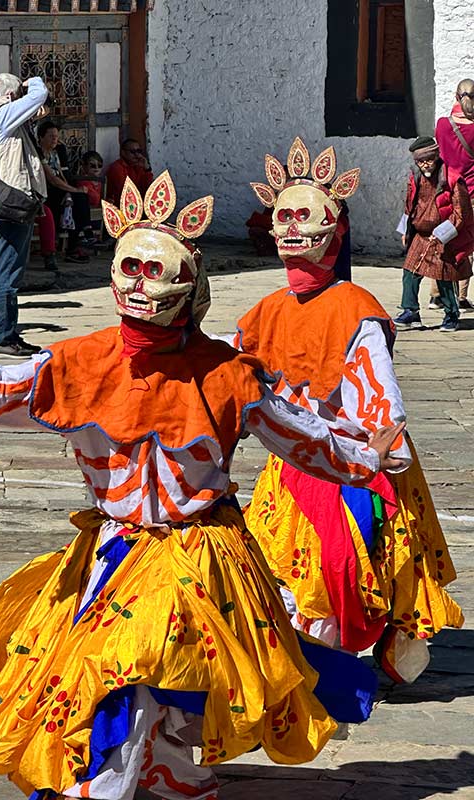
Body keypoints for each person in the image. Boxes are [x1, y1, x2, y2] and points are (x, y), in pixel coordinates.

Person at [0, 169, 404, 800]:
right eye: (131, 267)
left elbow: (301, 436)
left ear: (190, 283)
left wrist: (365, 457)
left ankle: (143, 777)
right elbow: (4, 388)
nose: (140, 283)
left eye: (159, 272)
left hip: (198, 552)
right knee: (128, 680)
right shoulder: (79, 362)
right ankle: (164, 772)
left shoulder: (227, 372)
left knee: (146, 675)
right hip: (113, 552)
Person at [239, 138, 463, 684]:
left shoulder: (357, 311)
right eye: (283, 216)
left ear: (334, 229)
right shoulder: (265, 311)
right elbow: (234, 369)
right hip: (290, 466)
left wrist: (380, 456)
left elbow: (380, 398)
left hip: (350, 465)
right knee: (279, 570)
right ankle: (301, 671)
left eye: (304, 216)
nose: (292, 229)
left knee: (341, 570)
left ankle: (332, 674)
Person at [0, 73, 48, 359]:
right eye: (18, 96)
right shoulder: (3, 111)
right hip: (13, 202)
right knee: (8, 272)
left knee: (8, 268)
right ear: (9, 96)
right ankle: (2, 336)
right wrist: (34, 81)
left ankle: (7, 333)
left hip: (0, 199)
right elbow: (38, 96)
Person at [395, 136, 474, 333]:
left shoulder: (453, 179)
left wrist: (442, 234)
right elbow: (409, 205)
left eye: (428, 160)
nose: (424, 165)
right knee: (410, 273)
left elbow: (461, 213)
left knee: (443, 277)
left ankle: (451, 314)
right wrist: (405, 230)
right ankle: (410, 312)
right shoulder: (415, 177)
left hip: (444, 236)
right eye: (420, 161)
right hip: (420, 235)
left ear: (436, 156)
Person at [435, 78, 474, 311]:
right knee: (466, 243)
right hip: (470, 193)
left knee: (442, 239)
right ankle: (460, 296)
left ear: (456, 96)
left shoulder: (442, 124)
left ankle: (436, 295)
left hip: (447, 191)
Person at [37, 119, 95, 264]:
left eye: (56, 137)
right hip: (46, 191)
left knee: (79, 198)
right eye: (51, 136)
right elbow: (52, 179)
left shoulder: (56, 153)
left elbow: (61, 176)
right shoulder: (39, 154)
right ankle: (82, 237)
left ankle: (76, 244)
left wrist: (70, 191)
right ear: (41, 137)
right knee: (75, 196)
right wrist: (72, 189)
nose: (55, 140)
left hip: (60, 189)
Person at [105, 138, 153, 204]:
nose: (136, 155)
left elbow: (149, 187)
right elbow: (126, 191)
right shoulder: (116, 167)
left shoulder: (139, 165)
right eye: (132, 152)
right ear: (123, 153)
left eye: (138, 151)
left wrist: (147, 169)